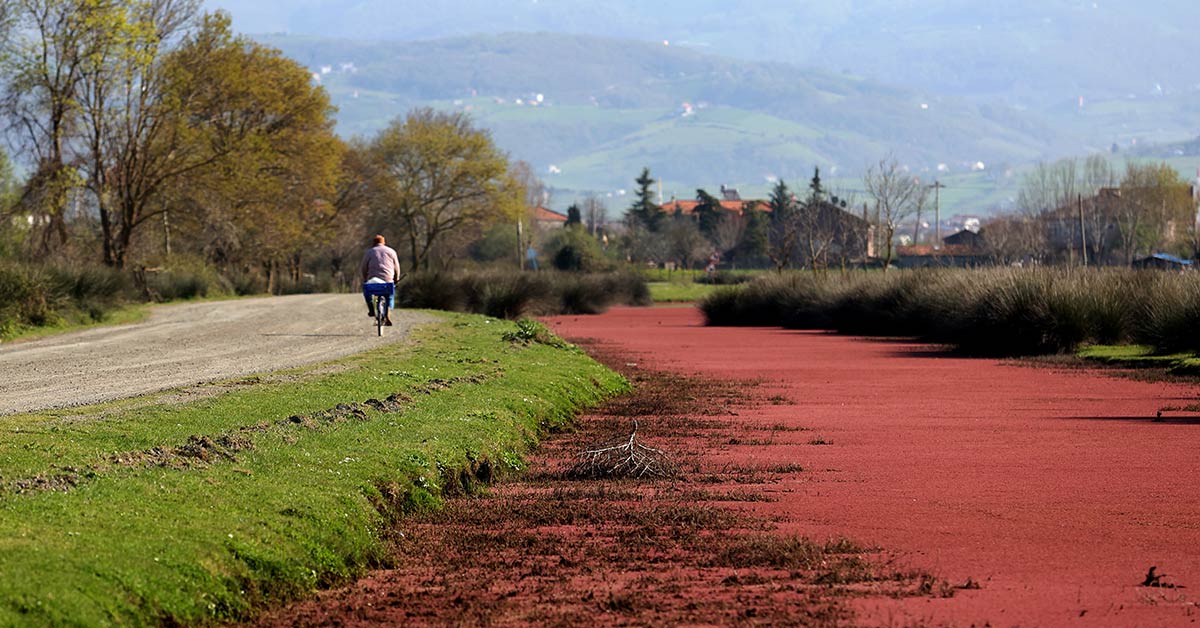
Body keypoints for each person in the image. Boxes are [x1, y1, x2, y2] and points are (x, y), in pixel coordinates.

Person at [360, 234, 401, 325]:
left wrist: (365, 278)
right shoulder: (391, 251)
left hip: (372, 281)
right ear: (384, 242)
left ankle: (371, 310)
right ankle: (388, 311)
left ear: (374, 243)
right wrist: (396, 278)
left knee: (367, 293)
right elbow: (396, 267)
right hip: (388, 280)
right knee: (389, 296)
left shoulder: (369, 252)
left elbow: (363, 268)